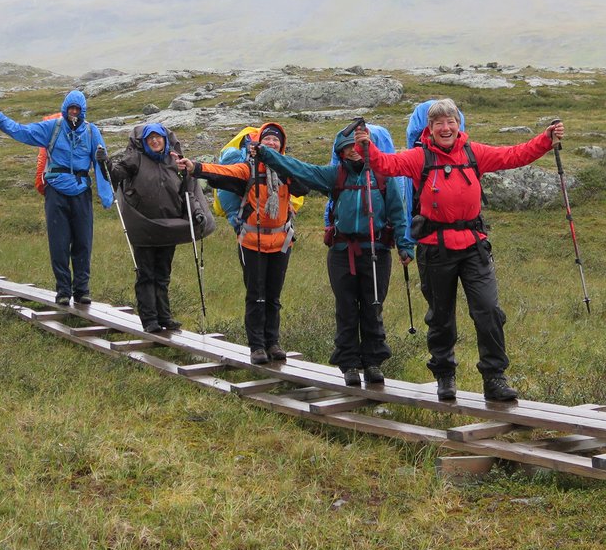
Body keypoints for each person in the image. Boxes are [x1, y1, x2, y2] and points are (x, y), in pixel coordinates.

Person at [355, 99, 564, 401]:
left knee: (489, 311)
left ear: (458, 124)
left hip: (474, 248)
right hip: (434, 250)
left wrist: (545, 140)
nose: (446, 127)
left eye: (450, 121)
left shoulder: (474, 153)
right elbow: (388, 164)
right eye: (439, 123)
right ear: (430, 128)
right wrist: (368, 148)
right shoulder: (418, 157)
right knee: (440, 318)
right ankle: (444, 377)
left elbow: (514, 155)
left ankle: (495, 379)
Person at [254, 125, 415, 387]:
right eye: (348, 146)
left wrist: (405, 245)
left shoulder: (383, 175)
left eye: (358, 145)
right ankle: (349, 364)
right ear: (340, 151)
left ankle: (372, 363)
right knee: (347, 309)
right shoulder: (334, 175)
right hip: (342, 253)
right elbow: (300, 169)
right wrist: (267, 155)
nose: (354, 151)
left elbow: (398, 211)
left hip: (377, 252)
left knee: (373, 307)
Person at [177, 123, 309, 364]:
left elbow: (305, 185)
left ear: (282, 145)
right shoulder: (247, 169)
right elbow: (220, 172)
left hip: (281, 242)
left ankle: (273, 343)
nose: (272, 143)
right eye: (267, 140)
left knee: (274, 296)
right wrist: (194, 167)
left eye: (276, 141)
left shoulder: (287, 170)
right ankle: (257, 346)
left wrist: (286, 171)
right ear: (259, 143)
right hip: (252, 241)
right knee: (256, 295)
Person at [0, 91, 113, 306]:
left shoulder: (91, 131)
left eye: (77, 109)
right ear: (65, 108)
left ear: (83, 110)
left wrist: (106, 195)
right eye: (71, 108)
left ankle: (82, 290)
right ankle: (63, 291)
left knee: (83, 242)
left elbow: (101, 163)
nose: (74, 113)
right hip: (56, 192)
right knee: (58, 243)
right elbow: (21, 132)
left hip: (81, 191)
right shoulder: (53, 127)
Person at [108, 122, 214, 333]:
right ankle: (150, 320)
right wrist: (106, 164)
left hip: (168, 228)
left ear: (165, 140)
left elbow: (188, 192)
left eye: (158, 137)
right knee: (146, 273)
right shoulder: (135, 158)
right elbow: (116, 175)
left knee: (163, 274)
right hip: (144, 226)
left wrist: (197, 213)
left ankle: (164, 317)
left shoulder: (175, 161)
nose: (155, 141)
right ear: (144, 142)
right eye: (150, 138)